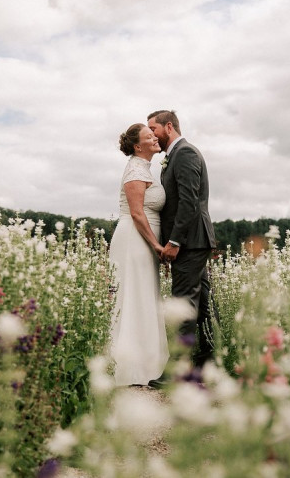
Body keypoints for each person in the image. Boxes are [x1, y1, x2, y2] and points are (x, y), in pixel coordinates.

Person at [147, 110, 217, 368]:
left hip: (190, 241)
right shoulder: (174, 155)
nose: (151, 135)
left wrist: (174, 242)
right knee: (201, 303)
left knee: (183, 302)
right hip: (194, 240)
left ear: (168, 127)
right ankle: (209, 359)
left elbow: (189, 202)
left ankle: (179, 368)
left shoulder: (185, 153)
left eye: (153, 129)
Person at [108, 123, 169, 386]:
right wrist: (156, 245)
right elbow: (136, 213)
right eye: (149, 136)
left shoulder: (144, 168)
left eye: (153, 134)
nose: (155, 137)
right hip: (134, 238)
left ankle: (146, 363)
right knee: (133, 294)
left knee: (143, 294)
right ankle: (129, 366)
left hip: (143, 238)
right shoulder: (135, 169)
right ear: (137, 146)